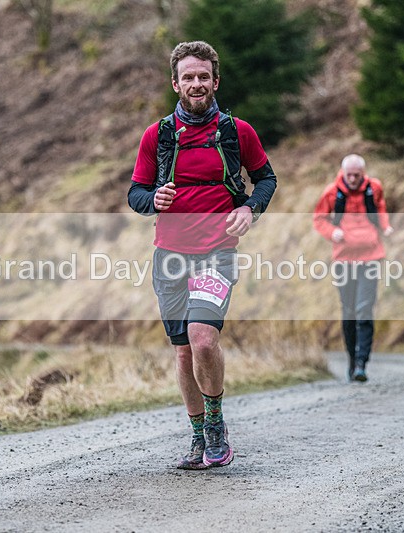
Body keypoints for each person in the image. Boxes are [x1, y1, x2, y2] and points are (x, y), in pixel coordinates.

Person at [128, 41, 277, 469]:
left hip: (217, 253)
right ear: (175, 83)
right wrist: (152, 198)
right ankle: (197, 437)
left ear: (216, 81)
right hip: (169, 256)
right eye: (188, 77)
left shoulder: (237, 132)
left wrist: (250, 208)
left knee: (203, 337)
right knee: (182, 351)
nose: (196, 84)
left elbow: (265, 179)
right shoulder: (156, 136)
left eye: (203, 76)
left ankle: (215, 424)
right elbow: (135, 193)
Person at [313, 154, 393, 382]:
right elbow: (319, 219)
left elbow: (380, 210)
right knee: (348, 311)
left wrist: (385, 227)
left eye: (357, 175)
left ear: (363, 173)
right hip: (343, 259)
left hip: (371, 256)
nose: (353, 179)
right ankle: (351, 359)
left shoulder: (374, 187)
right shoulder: (332, 192)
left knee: (364, 309)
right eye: (349, 175)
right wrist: (332, 232)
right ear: (343, 172)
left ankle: (361, 364)